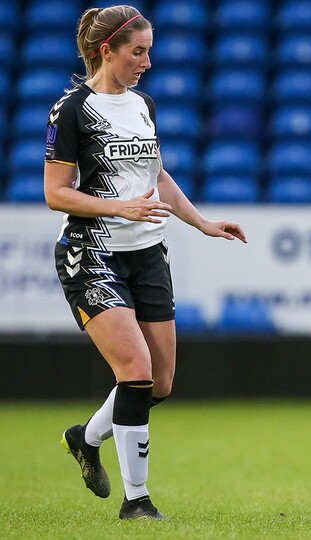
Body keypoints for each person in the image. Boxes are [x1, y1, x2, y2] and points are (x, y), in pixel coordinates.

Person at [45, 5, 247, 520]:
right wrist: (118, 206)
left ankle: (84, 438)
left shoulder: (143, 105)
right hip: (92, 252)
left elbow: (155, 176)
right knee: (134, 371)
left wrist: (201, 223)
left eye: (149, 50)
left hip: (148, 254)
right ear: (104, 51)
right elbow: (55, 193)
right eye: (138, 51)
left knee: (159, 384)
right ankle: (138, 503)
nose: (147, 61)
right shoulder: (72, 110)